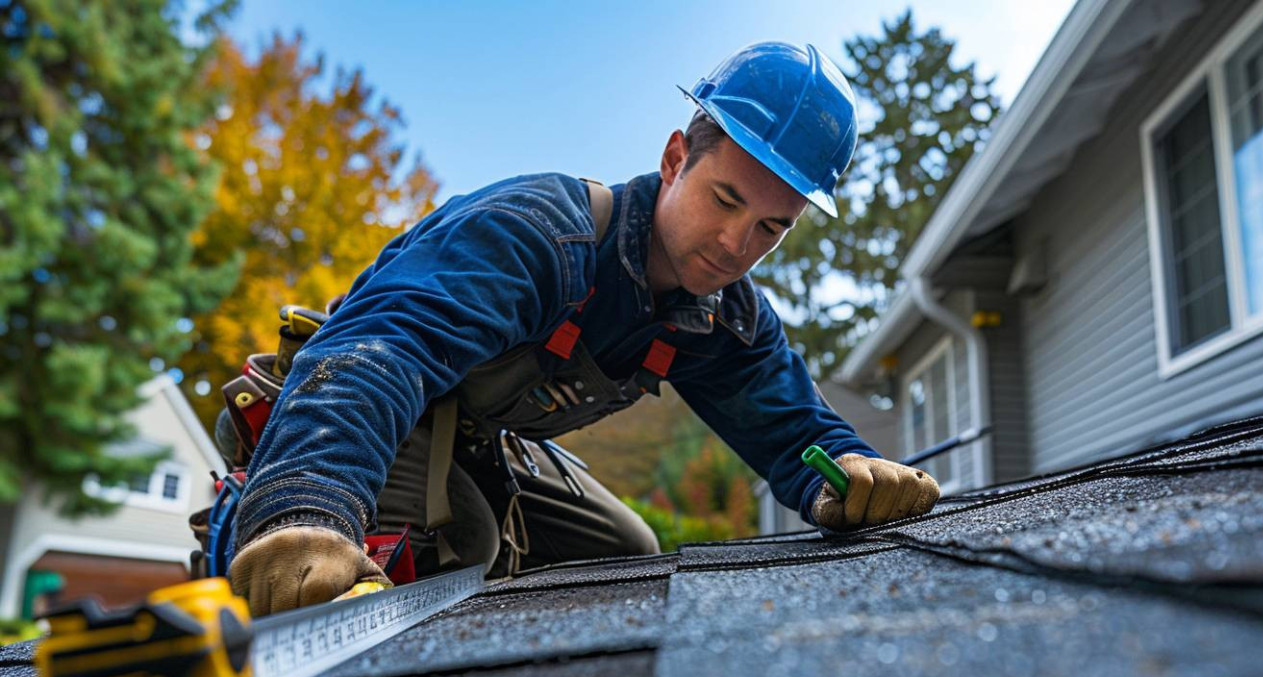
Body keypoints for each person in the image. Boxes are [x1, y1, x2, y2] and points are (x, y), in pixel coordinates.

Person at [227, 42, 941, 616]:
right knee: (458, 552)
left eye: (770, 227)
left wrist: (848, 473)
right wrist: (306, 507)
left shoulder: (724, 316)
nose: (734, 244)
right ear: (673, 161)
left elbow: (794, 431)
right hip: (361, 416)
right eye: (725, 199)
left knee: (626, 548)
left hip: (480, 440)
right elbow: (381, 351)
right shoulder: (538, 236)